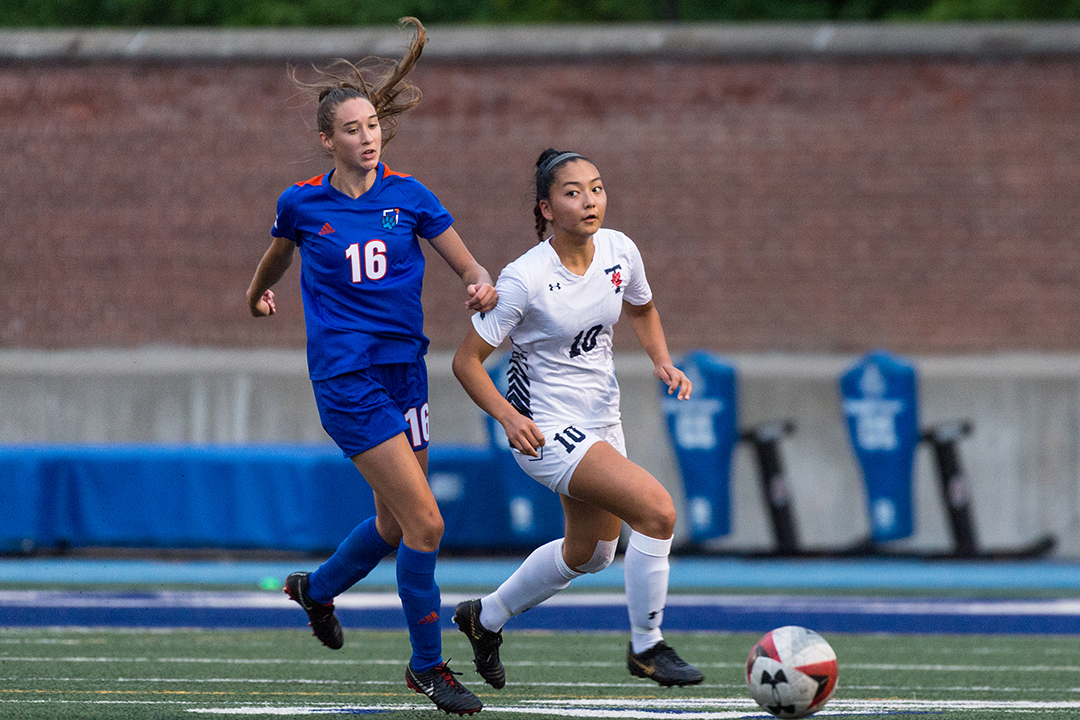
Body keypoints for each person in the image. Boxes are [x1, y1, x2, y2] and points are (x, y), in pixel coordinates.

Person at [245, 17, 494, 716]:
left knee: (392, 526)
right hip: (346, 378)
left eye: (371, 124)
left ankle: (316, 591)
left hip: (404, 374)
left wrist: (479, 281)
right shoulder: (302, 202)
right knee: (427, 525)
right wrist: (256, 288)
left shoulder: (410, 196)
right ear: (328, 140)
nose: (366, 134)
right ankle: (427, 667)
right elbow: (278, 251)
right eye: (350, 128)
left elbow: (465, 259)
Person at [450, 149, 704, 689]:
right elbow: (465, 362)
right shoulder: (525, 277)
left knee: (589, 555)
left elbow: (641, 307)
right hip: (544, 427)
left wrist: (661, 359)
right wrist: (505, 416)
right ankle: (647, 647)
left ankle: (484, 618)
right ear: (545, 208)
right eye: (572, 192)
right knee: (657, 512)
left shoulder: (619, 250)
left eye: (597, 188)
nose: (589, 201)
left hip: (600, 419)